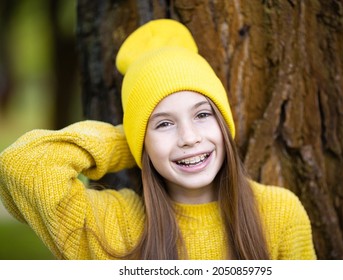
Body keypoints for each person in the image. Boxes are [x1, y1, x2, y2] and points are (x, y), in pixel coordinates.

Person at [0, 19, 316, 260]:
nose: (189, 138)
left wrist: (152, 136)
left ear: (223, 123)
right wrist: (133, 141)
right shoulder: (116, 224)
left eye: (203, 115)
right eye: (164, 124)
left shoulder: (278, 214)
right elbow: (21, 165)